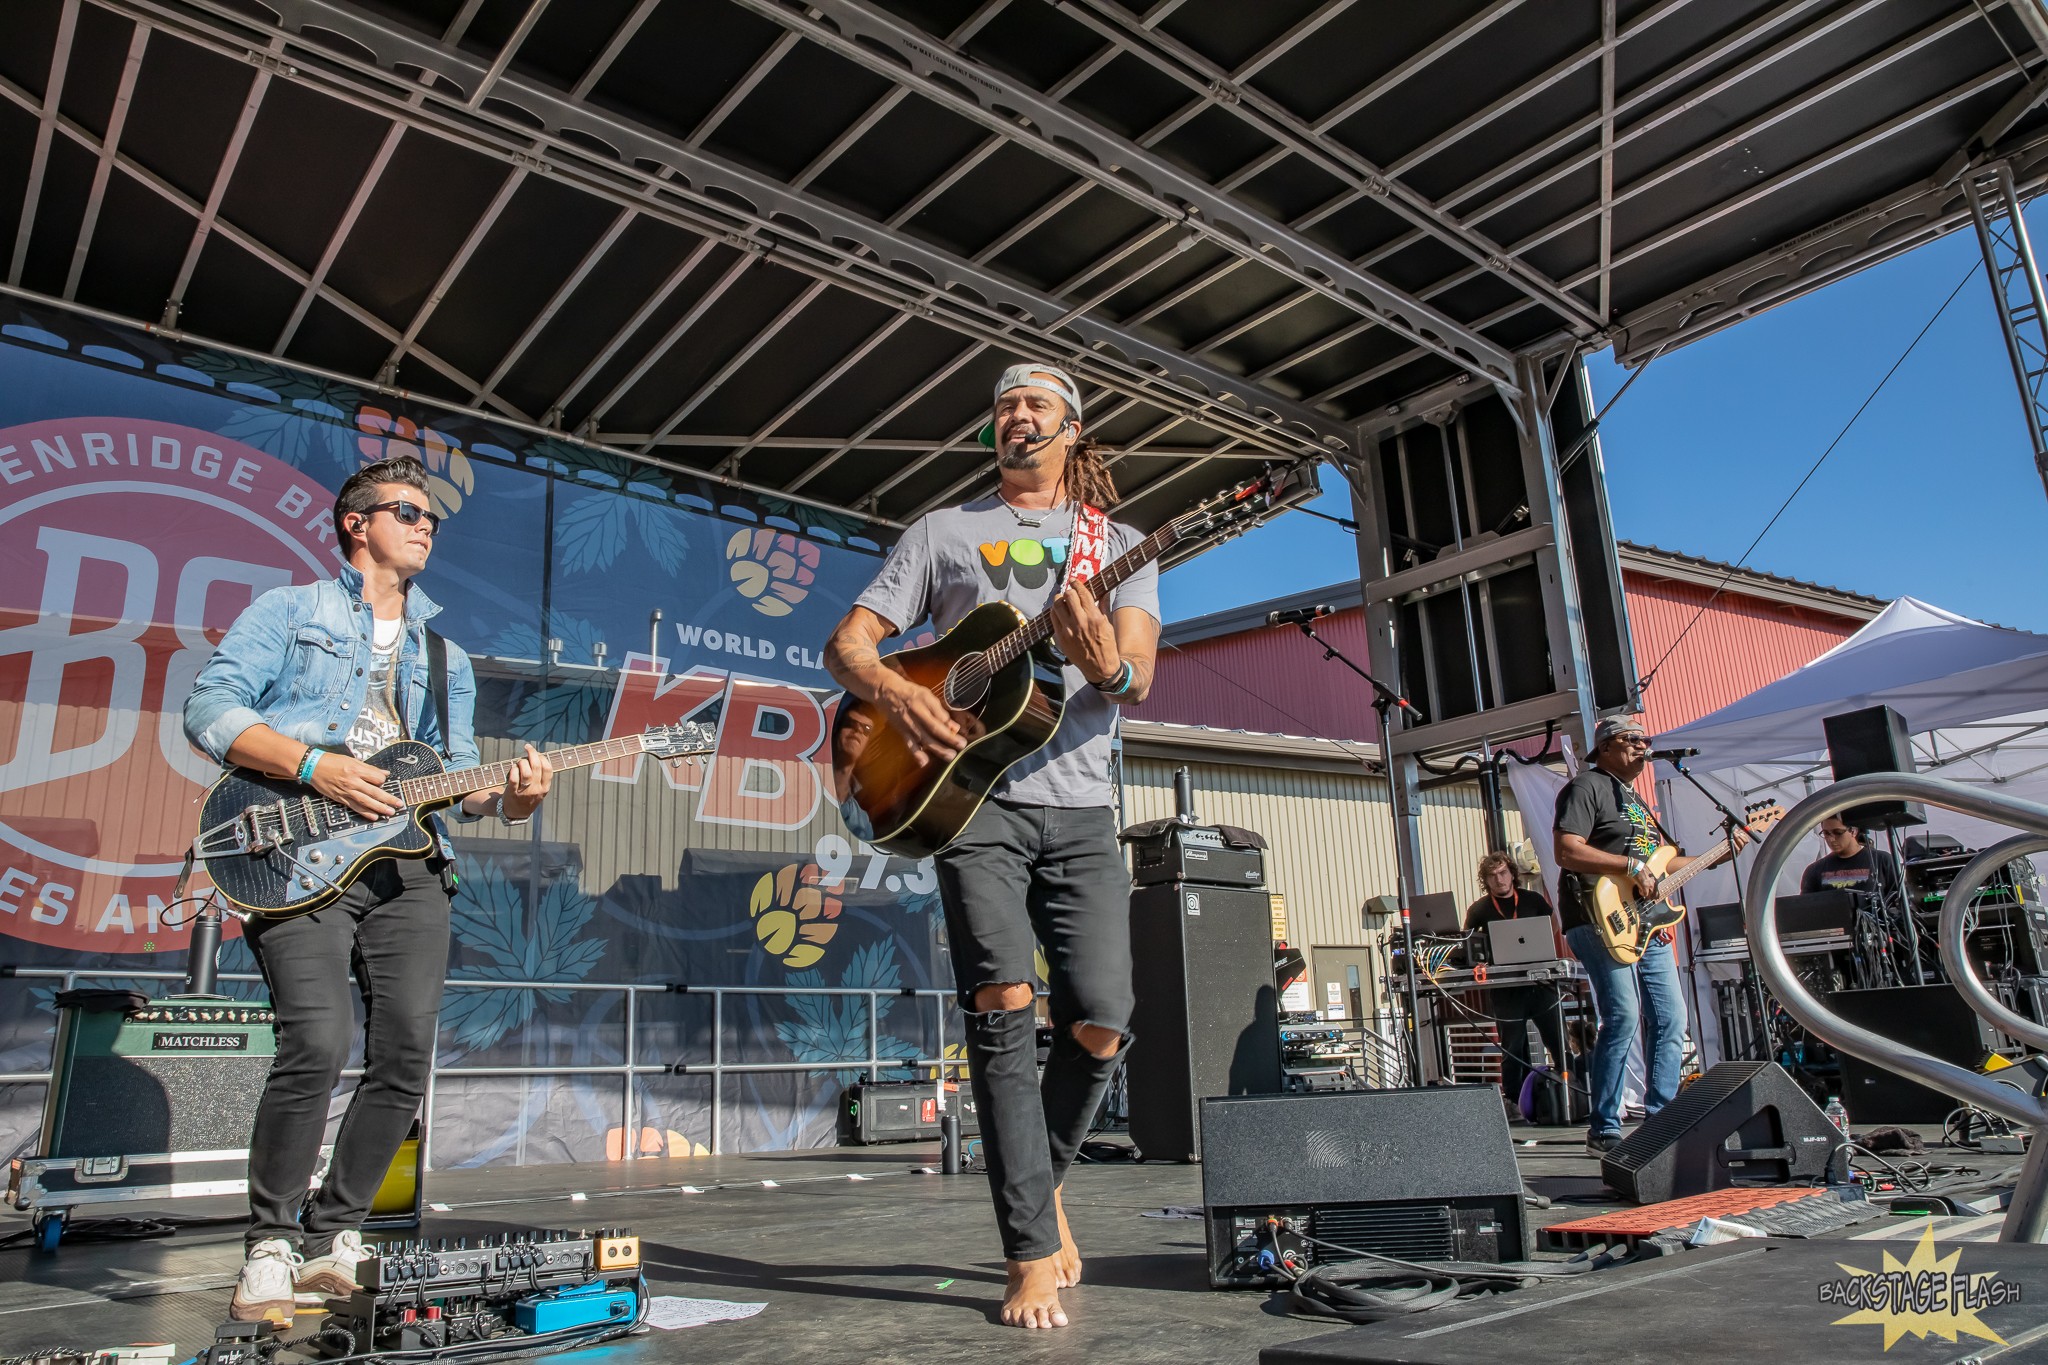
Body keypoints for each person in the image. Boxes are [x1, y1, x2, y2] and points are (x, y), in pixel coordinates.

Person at [824, 363, 1159, 1330]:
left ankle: (1037, 1183)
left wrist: (1111, 668)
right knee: (1004, 1001)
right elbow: (848, 646)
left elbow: (1135, 675)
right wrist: (901, 694)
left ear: (1071, 430)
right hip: (973, 803)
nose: (1016, 417)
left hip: (1083, 804)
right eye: (1005, 407)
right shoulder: (944, 532)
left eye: (1035, 406)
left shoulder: (1124, 546)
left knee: (1103, 1014)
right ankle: (1027, 1254)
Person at [184, 457, 554, 1323]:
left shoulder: (444, 654)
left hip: (409, 867)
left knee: (402, 1057)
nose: (427, 525)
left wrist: (511, 794)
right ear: (357, 523)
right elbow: (211, 709)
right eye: (409, 511)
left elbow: (456, 775)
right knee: (314, 1042)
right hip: (294, 855)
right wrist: (318, 766)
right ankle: (270, 1244)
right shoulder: (291, 612)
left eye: (432, 518)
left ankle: (335, 1235)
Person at [1552, 716, 1747, 1156]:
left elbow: (1659, 866)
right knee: (1622, 1015)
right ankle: (1604, 1127)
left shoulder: (1636, 801)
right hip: (1597, 915)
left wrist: (1717, 856)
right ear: (1605, 746)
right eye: (1632, 740)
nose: (1643, 747)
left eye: (1646, 740)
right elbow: (1567, 850)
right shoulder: (1587, 787)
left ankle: (1663, 1120)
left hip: (1646, 921)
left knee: (1672, 1018)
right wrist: (1628, 868)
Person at [1462, 851, 1566, 1123]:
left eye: (1503, 873)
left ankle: (1568, 1093)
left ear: (1512, 873)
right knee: (1513, 1046)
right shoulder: (1480, 909)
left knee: (1557, 1040)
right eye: (1492, 876)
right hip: (1506, 987)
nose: (1499, 880)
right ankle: (1515, 1102)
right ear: (1486, 880)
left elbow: (1552, 922)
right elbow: (1468, 943)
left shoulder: (1532, 900)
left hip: (1540, 982)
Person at [1801, 817, 1899, 898]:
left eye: (1838, 832)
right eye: (1826, 833)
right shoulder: (1814, 870)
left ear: (1853, 831)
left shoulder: (1882, 860)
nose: (1831, 839)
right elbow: (1805, 910)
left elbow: (1900, 902)